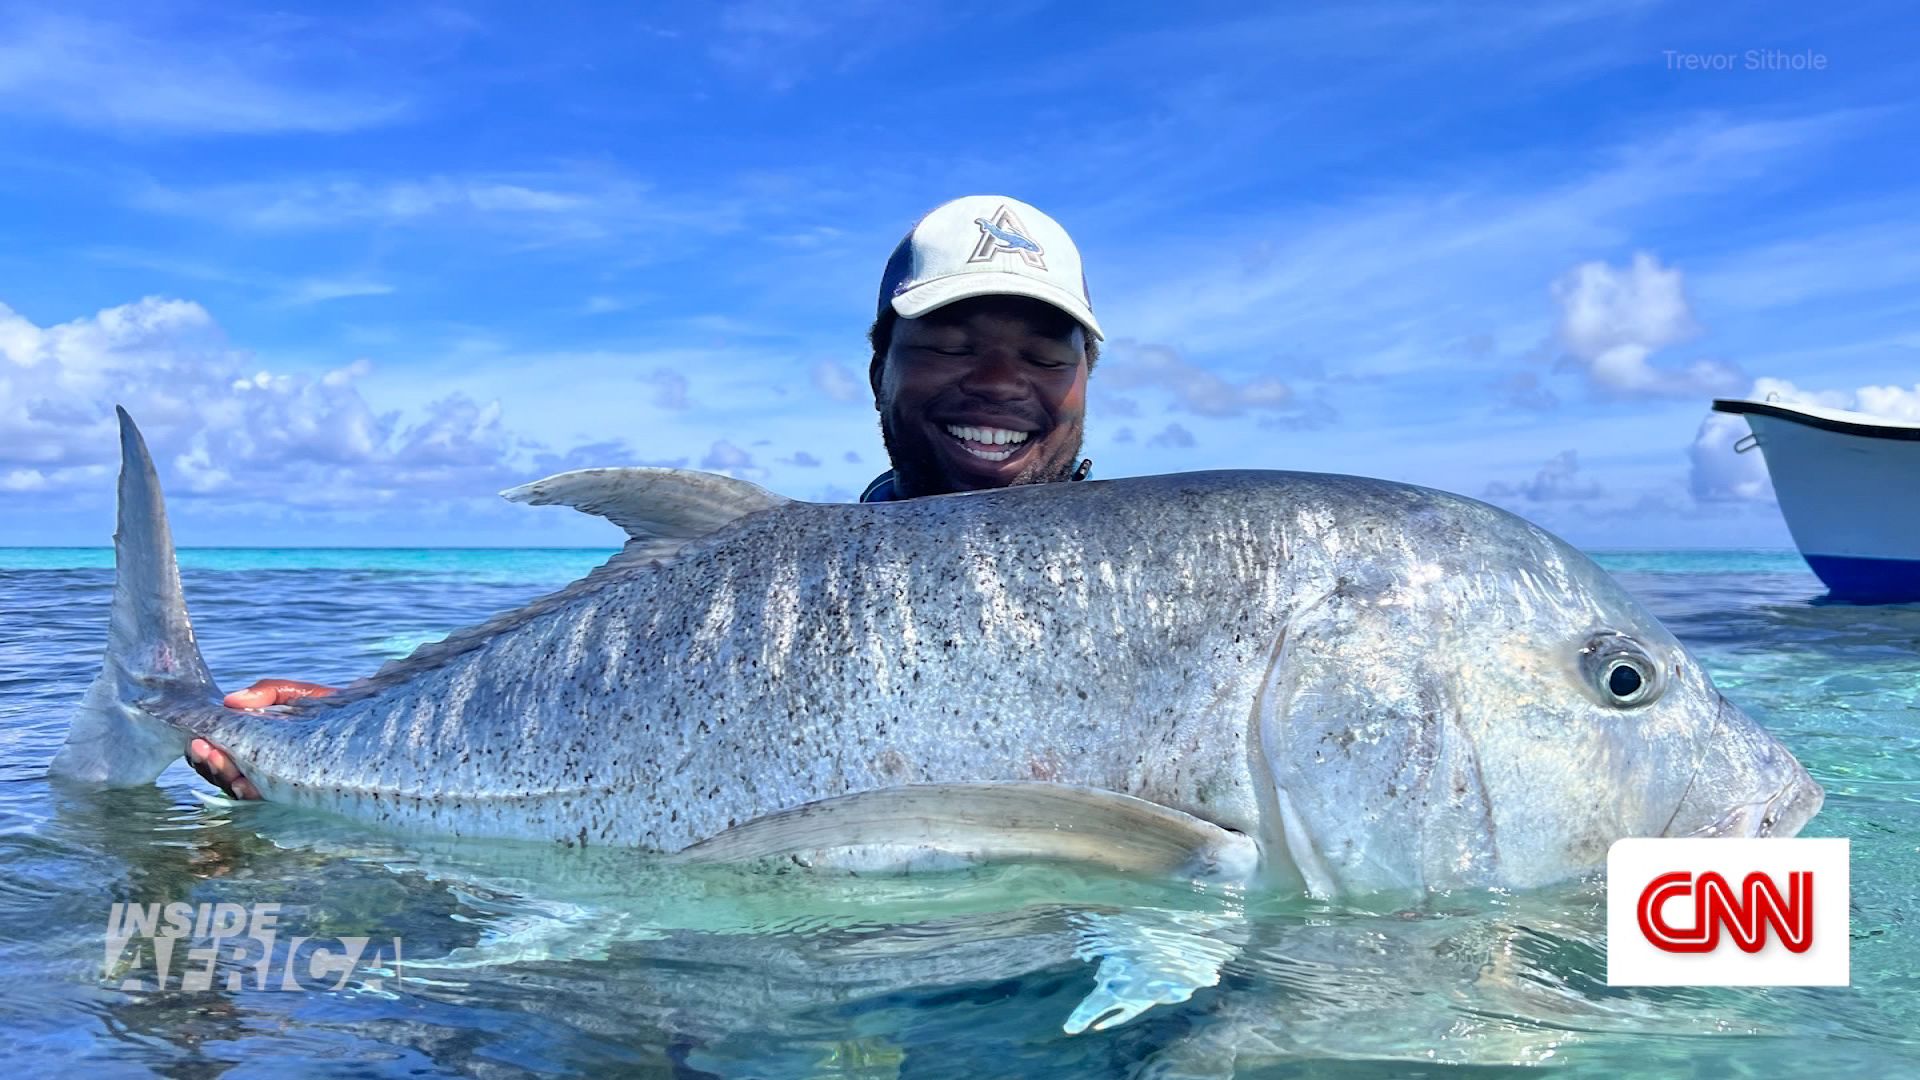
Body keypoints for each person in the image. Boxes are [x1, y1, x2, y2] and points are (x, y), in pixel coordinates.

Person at [188, 194, 1105, 799]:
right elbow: (621, 701)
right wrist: (358, 720)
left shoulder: (1180, 584)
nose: (997, 381)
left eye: (1042, 355)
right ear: (878, 371)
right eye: (949, 345)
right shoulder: (774, 595)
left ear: (1085, 379)